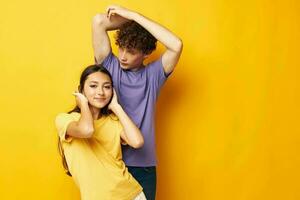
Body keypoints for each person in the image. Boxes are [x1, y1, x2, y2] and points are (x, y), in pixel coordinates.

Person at [92, 5, 183, 200]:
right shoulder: (109, 66)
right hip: (111, 163)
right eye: (121, 48)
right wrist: (129, 20)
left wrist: (134, 16)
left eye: (131, 51)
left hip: (144, 167)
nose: (123, 55)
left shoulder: (154, 75)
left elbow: (176, 44)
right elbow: (98, 21)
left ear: (146, 53)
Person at [55, 64, 147, 200]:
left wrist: (116, 107)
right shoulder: (65, 120)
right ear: (81, 90)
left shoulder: (113, 121)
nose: (101, 92)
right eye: (93, 86)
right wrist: (84, 105)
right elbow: (87, 130)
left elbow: (137, 142)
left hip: (131, 194)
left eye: (107, 87)